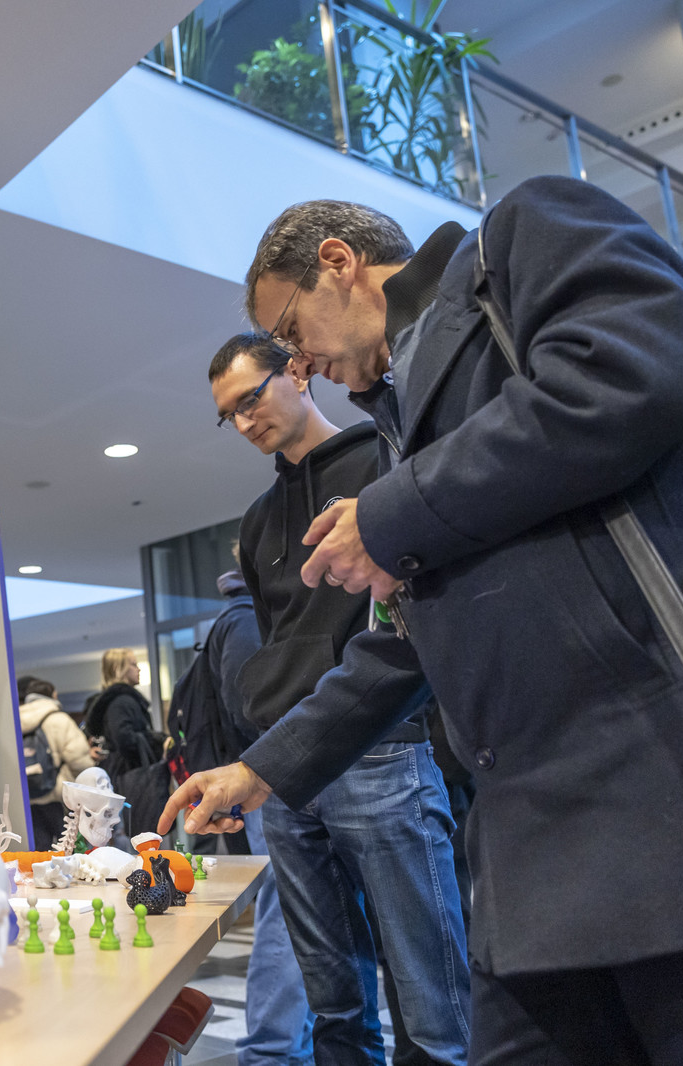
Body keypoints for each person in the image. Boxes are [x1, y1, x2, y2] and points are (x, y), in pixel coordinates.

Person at [163, 179, 683, 1065]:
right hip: (530, 865)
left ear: (338, 262)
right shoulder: (400, 426)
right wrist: (261, 768)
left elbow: (640, 371)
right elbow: (405, 644)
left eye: (291, 333)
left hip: (674, 815)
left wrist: (392, 515)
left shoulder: (526, 232)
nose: (301, 366)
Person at [209, 331, 468, 1066]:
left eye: (250, 399)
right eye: (229, 414)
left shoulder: (382, 463)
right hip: (287, 768)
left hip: (380, 750)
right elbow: (272, 636)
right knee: (333, 1007)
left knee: (431, 1006)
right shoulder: (258, 520)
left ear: (297, 371)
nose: (244, 421)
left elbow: (414, 619)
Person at [184, 569, 316, 1066]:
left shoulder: (246, 616)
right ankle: (272, 1049)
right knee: (287, 912)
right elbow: (251, 710)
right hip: (270, 782)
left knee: (294, 910)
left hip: (271, 780)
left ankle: (286, 1045)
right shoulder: (245, 618)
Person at [17, 676, 97, 849]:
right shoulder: (58, 719)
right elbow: (80, 762)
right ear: (52, 695)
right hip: (57, 796)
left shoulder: (16, 721)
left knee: (39, 852)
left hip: (28, 795)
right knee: (69, 848)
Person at [84, 648, 156, 778]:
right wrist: (156, 741)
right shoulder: (121, 702)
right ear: (118, 669)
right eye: (133, 664)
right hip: (129, 775)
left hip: (124, 772)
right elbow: (125, 740)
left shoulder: (119, 700)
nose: (139, 669)